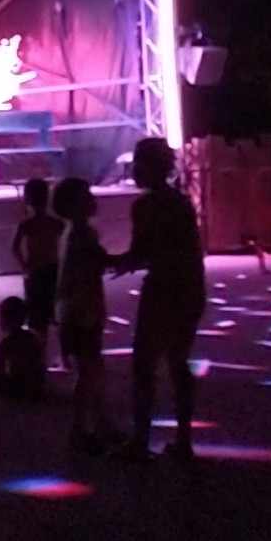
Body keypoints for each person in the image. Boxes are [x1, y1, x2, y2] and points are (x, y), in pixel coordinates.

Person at [111, 138, 206, 463]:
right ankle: (183, 439)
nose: (134, 171)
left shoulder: (145, 207)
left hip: (164, 290)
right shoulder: (181, 203)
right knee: (178, 364)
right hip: (190, 288)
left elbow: (142, 253)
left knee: (144, 365)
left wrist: (104, 261)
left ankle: (140, 440)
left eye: (138, 164)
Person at [52, 177, 112, 454]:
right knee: (89, 372)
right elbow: (99, 262)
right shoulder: (82, 235)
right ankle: (81, 429)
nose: (93, 198)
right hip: (81, 310)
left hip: (77, 309)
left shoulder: (73, 233)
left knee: (92, 370)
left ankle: (98, 424)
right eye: (86, 195)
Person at [11, 177, 63, 353]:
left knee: (37, 317)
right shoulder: (55, 223)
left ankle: (39, 353)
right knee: (55, 314)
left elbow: (15, 248)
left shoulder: (26, 224)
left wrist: (24, 267)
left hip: (35, 271)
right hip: (53, 269)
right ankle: (64, 356)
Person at [0, 295, 46, 401]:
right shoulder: (33, 337)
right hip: (36, 386)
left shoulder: (6, 343)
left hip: (17, 388)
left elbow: (5, 370)